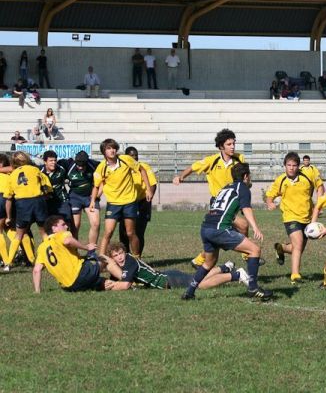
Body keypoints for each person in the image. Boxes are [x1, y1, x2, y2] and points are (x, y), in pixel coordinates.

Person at [181, 162, 272, 301]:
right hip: (219, 229)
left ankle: (189, 292)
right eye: (250, 176)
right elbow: (246, 209)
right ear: (246, 176)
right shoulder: (243, 188)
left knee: (209, 263)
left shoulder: (225, 188)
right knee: (254, 250)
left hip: (206, 227)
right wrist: (255, 228)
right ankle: (253, 287)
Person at [172, 128, 247, 269]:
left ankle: (199, 260)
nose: (232, 147)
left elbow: (244, 179)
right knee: (242, 226)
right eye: (229, 144)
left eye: (233, 144)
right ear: (221, 146)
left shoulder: (239, 159)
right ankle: (248, 255)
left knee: (219, 235)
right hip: (218, 203)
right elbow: (192, 167)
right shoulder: (211, 161)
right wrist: (180, 177)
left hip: (232, 202)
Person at [266, 151, 323, 284]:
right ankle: (295, 275)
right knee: (298, 244)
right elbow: (271, 195)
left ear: (298, 166)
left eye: (294, 165)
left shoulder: (307, 177)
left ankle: (281, 248)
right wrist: (270, 203)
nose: (291, 168)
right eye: (288, 165)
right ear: (285, 166)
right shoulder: (281, 180)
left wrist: (318, 206)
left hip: (307, 218)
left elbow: (320, 188)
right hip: (290, 217)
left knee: (297, 248)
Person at [90, 138, 152, 256]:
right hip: (113, 204)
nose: (112, 150)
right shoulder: (101, 168)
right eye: (109, 148)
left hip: (129, 202)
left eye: (114, 148)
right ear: (104, 151)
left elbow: (142, 170)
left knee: (130, 233)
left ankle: (136, 259)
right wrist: (93, 200)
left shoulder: (125, 159)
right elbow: (96, 186)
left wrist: (148, 189)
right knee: (108, 233)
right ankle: (102, 262)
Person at [104, 242, 249, 291]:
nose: (119, 257)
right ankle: (225, 267)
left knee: (200, 285)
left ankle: (237, 275)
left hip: (168, 281)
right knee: (195, 277)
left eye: (121, 253)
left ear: (125, 252)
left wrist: (109, 286)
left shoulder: (129, 262)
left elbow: (125, 285)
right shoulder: (127, 261)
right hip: (167, 275)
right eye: (116, 256)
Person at [32, 215, 112, 293]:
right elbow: (68, 241)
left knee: (100, 281)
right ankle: (123, 276)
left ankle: (109, 283)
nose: (66, 227)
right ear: (54, 228)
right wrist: (86, 247)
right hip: (81, 275)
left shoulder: (41, 247)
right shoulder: (61, 234)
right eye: (63, 224)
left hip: (69, 287)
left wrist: (37, 291)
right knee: (104, 259)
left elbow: (36, 270)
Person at [3, 151, 51, 271]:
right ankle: (52, 257)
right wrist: (46, 194)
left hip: (23, 204)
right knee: (44, 233)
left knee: (19, 235)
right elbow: (47, 185)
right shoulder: (35, 170)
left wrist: (9, 216)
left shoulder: (13, 175)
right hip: (37, 201)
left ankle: (8, 263)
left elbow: (8, 198)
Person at [118, 146, 156, 256]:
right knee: (124, 232)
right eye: (132, 155)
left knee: (139, 232)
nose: (134, 157)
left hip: (142, 202)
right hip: (126, 202)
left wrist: (150, 194)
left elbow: (152, 183)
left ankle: (138, 259)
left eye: (136, 155)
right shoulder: (122, 168)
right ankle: (125, 257)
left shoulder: (144, 167)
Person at [63, 151, 101, 246]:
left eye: (82, 165)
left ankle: (91, 253)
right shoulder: (69, 165)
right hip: (75, 197)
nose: (80, 167)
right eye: (78, 165)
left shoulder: (94, 165)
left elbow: (104, 179)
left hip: (90, 197)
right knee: (75, 226)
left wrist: (97, 195)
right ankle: (74, 251)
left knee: (96, 224)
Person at [41, 150, 75, 235]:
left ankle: (68, 245)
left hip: (62, 201)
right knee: (49, 227)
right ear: (45, 162)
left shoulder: (62, 169)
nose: (53, 163)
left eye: (55, 160)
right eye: (51, 161)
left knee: (66, 224)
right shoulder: (40, 172)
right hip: (47, 203)